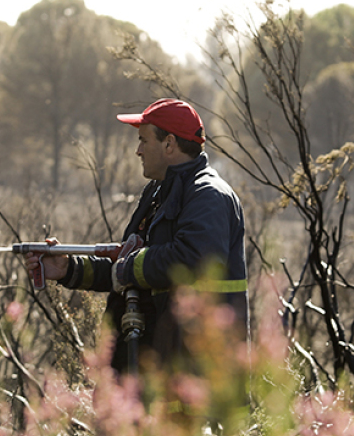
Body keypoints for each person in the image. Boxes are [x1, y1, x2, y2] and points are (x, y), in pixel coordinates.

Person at [21, 98, 248, 377]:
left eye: (143, 140)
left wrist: (126, 267)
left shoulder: (208, 196)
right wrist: (69, 268)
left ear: (169, 144)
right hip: (147, 365)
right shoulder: (157, 193)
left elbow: (191, 260)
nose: (137, 151)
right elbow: (133, 269)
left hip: (192, 374)